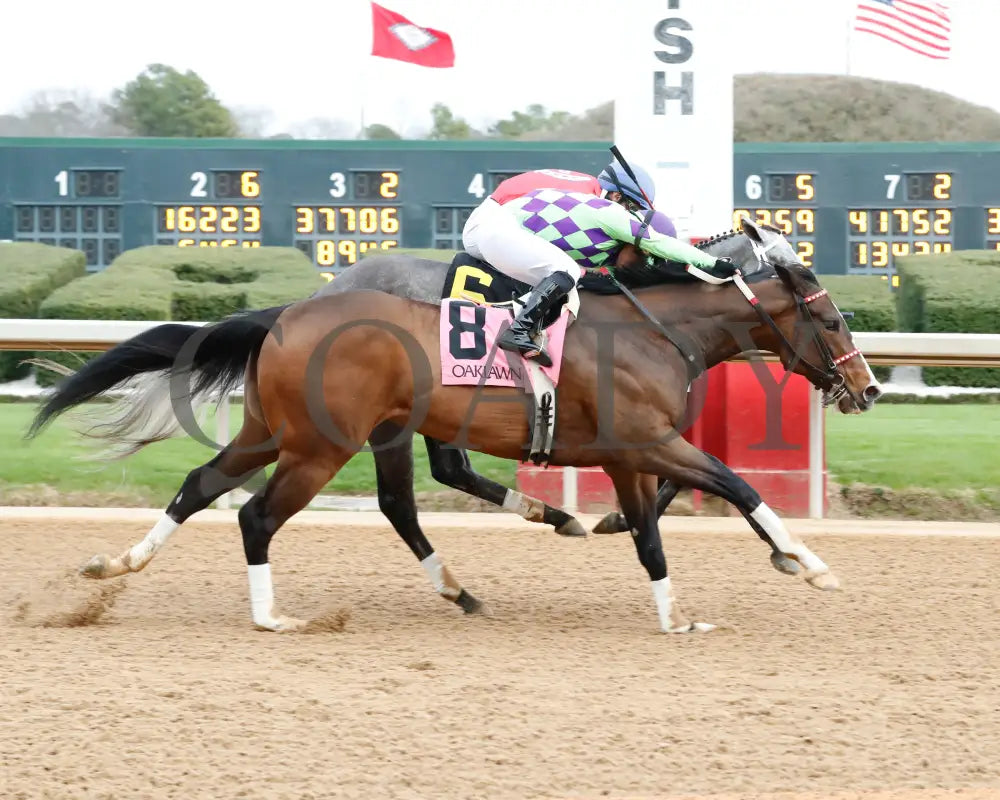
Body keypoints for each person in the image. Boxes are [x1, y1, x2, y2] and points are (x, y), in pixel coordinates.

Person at [461, 160, 736, 365]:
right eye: (633, 207)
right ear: (618, 198)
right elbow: (658, 242)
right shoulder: (612, 214)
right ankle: (518, 331)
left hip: (496, 225)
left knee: (565, 283)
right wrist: (710, 263)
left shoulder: (598, 216)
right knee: (565, 270)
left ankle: (521, 331)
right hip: (493, 225)